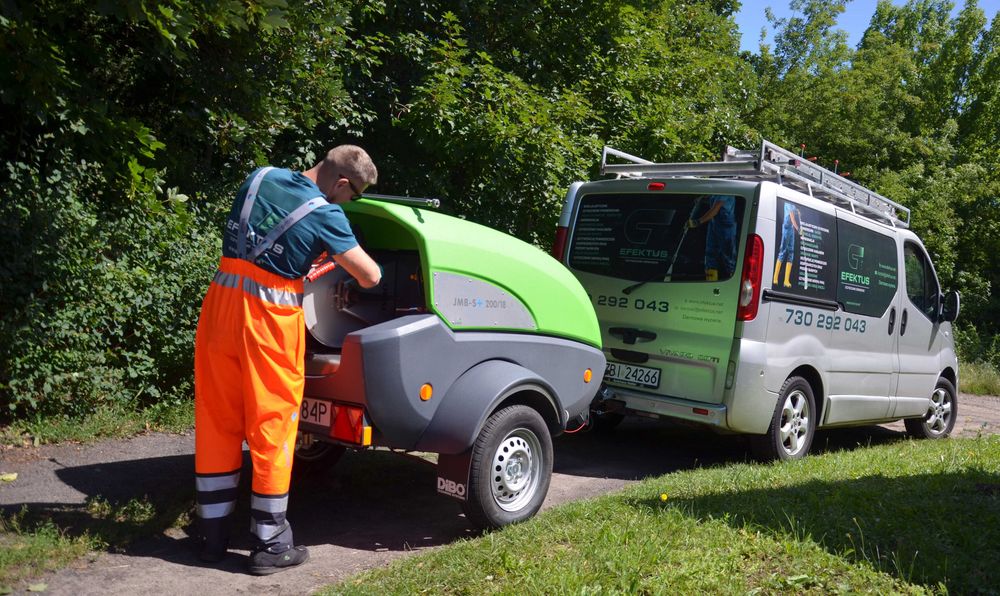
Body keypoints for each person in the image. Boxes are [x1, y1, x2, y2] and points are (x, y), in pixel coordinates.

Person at [193, 145, 382, 575]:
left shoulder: (259, 177)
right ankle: (269, 543)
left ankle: (211, 536)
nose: (350, 204)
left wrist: (303, 260)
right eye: (354, 196)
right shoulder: (327, 214)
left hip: (220, 308)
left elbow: (263, 240)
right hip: (267, 322)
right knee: (272, 423)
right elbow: (369, 275)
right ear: (341, 184)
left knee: (217, 419)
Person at [688, 195, 737, 281]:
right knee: (710, 255)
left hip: (726, 226)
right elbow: (713, 198)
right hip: (715, 223)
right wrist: (703, 197)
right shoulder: (718, 189)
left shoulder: (725, 189)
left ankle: (732, 281)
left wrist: (698, 222)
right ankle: (710, 283)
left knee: (729, 258)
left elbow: (715, 209)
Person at [773, 201, 801, 288]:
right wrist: (798, 229)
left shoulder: (793, 204)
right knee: (783, 251)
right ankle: (775, 278)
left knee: (791, 252)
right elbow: (792, 218)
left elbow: (796, 214)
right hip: (787, 228)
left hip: (791, 228)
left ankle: (786, 280)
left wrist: (798, 213)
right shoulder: (788, 203)